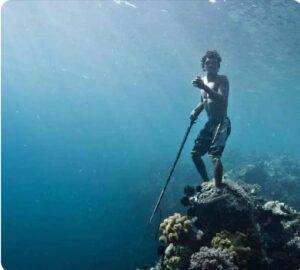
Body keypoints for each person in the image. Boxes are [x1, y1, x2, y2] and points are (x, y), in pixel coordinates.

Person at [190, 50, 231, 188]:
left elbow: (222, 99)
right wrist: (195, 111)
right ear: (203, 66)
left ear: (219, 66)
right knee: (195, 154)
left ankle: (218, 189)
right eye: (208, 63)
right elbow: (203, 101)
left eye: (215, 63)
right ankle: (207, 182)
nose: (212, 65)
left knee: (214, 156)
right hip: (210, 123)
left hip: (221, 122)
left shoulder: (222, 79)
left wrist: (204, 87)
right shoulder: (203, 82)